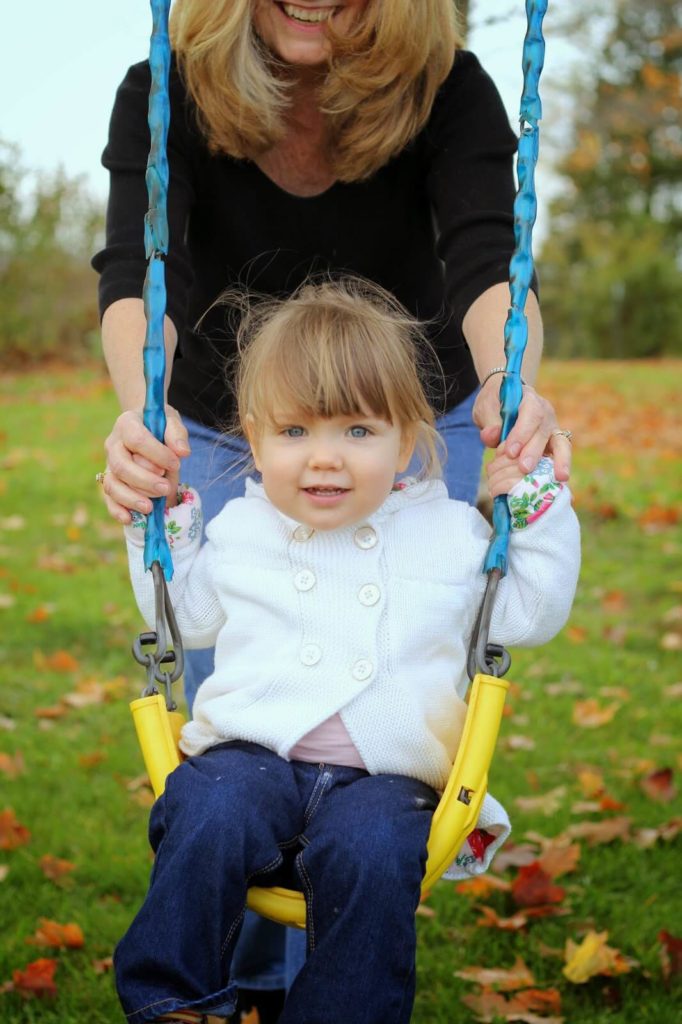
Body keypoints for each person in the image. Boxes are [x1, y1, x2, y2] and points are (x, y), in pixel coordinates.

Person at [93, 0, 573, 1014]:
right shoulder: (166, 85)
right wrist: (146, 430)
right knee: (243, 714)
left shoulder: (447, 86)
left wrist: (511, 398)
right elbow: (142, 271)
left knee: (394, 669)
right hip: (231, 423)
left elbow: (490, 259)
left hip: (415, 407)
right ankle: (219, 990)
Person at [114, 279, 580, 1024]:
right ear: (254, 435)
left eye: (358, 432)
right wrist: (155, 527)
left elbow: (529, 613)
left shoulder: (450, 532)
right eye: (295, 432)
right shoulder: (243, 525)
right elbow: (188, 616)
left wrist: (534, 508)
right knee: (207, 804)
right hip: (250, 755)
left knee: (371, 850)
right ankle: (177, 999)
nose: (324, 458)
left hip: (386, 779)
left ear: (409, 433)